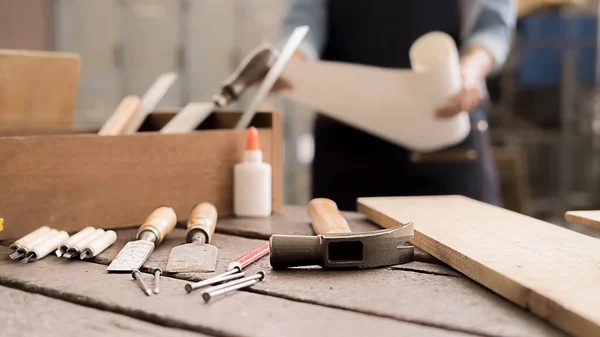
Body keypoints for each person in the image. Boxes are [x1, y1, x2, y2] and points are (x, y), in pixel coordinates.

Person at [278, 0, 516, 211]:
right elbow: (305, 17)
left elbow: (491, 25)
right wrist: (292, 64)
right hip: (346, 144)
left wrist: (471, 69)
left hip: (444, 138)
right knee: (344, 254)